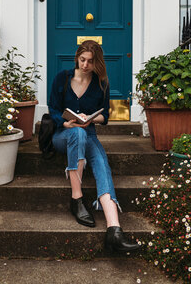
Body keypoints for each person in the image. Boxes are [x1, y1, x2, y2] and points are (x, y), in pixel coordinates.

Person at [48, 40, 140, 253]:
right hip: (63, 133)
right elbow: (53, 109)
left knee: (101, 164)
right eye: (82, 60)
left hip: (88, 132)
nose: (85, 65)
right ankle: (77, 199)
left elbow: (105, 116)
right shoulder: (62, 78)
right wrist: (66, 122)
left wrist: (91, 120)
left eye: (90, 61)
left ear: (96, 62)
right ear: (76, 58)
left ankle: (114, 230)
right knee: (77, 133)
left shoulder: (101, 83)